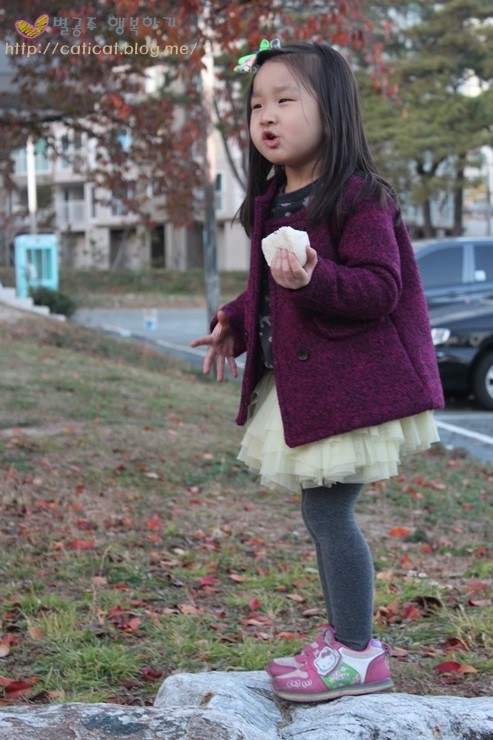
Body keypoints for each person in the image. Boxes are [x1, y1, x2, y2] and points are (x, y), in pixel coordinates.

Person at [191, 40, 444, 703]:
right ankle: (345, 641)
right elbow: (266, 289)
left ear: (331, 110)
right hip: (309, 390)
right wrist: (234, 320)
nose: (266, 117)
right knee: (321, 515)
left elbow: (379, 287)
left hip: (350, 389)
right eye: (256, 106)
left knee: (330, 516)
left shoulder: (358, 197)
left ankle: (357, 653)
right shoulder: (272, 199)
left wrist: (313, 278)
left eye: (285, 100)